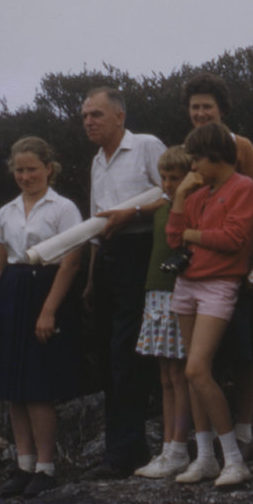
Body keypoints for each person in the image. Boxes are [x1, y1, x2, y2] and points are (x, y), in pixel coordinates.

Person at [0, 137, 83, 498]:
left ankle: (46, 468)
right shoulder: (6, 211)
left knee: (37, 386)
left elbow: (71, 261)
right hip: (10, 293)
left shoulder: (63, 208)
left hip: (45, 289)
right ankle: (23, 465)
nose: (25, 176)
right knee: (12, 389)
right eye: (19, 170)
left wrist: (49, 310)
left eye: (32, 169)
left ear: (48, 168)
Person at [181, 72, 253, 459]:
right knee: (205, 360)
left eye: (207, 106)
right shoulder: (190, 151)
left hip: (237, 266)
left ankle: (244, 431)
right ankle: (210, 441)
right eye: (195, 106)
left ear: (221, 109)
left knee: (243, 355)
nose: (201, 113)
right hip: (198, 272)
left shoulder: (241, 146)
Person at [81, 87, 168, 478]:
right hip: (108, 258)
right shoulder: (97, 161)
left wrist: (131, 212)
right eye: (85, 116)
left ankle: (126, 452)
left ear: (119, 116)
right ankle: (120, 448)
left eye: (96, 114)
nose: (89, 122)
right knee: (106, 354)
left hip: (140, 250)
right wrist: (90, 277)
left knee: (127, 355)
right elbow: (98, 224)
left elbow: (176, 191)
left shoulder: (147, 146)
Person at [166, 122, 253, 487]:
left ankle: (233, 459)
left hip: (219, 284)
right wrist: (179, 199)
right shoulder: (197, 191)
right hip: (186, 285)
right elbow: (174, 238)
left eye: (196, 161)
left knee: (197, 370)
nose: (193, 169)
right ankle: (204, 457)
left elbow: (235, 238)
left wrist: (192, 234)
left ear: (213, 156)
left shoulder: (244, 187)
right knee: (193, 370)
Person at [133, 145, 193, 479]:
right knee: (166, 376)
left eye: (175, 178)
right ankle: (169, 447)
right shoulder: (162, 208)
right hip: (155, 292)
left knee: (181, 374)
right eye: (165, 178)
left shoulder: (188, 208)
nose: (169, 184)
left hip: (178, 292)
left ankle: (180, 448)